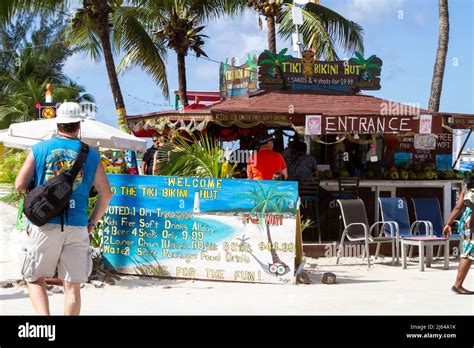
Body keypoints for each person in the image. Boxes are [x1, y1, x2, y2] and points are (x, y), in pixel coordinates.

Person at [15, 102, 112, 315]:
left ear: (57, 123)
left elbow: (19, 185)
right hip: (77, 225)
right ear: (79, 125)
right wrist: (92, 223)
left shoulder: (40, 149)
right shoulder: (91, 155)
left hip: (44, 222)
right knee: (72, 285)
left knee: (34, 278)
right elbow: (106, 194)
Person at [443, 174, 474, 295]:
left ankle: (458, 284)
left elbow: (458, 207)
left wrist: (448, 223)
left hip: (466, 221)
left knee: (468, 251)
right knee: (468, 253)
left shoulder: (466, 186)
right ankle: (458, 284)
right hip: (471, 222)